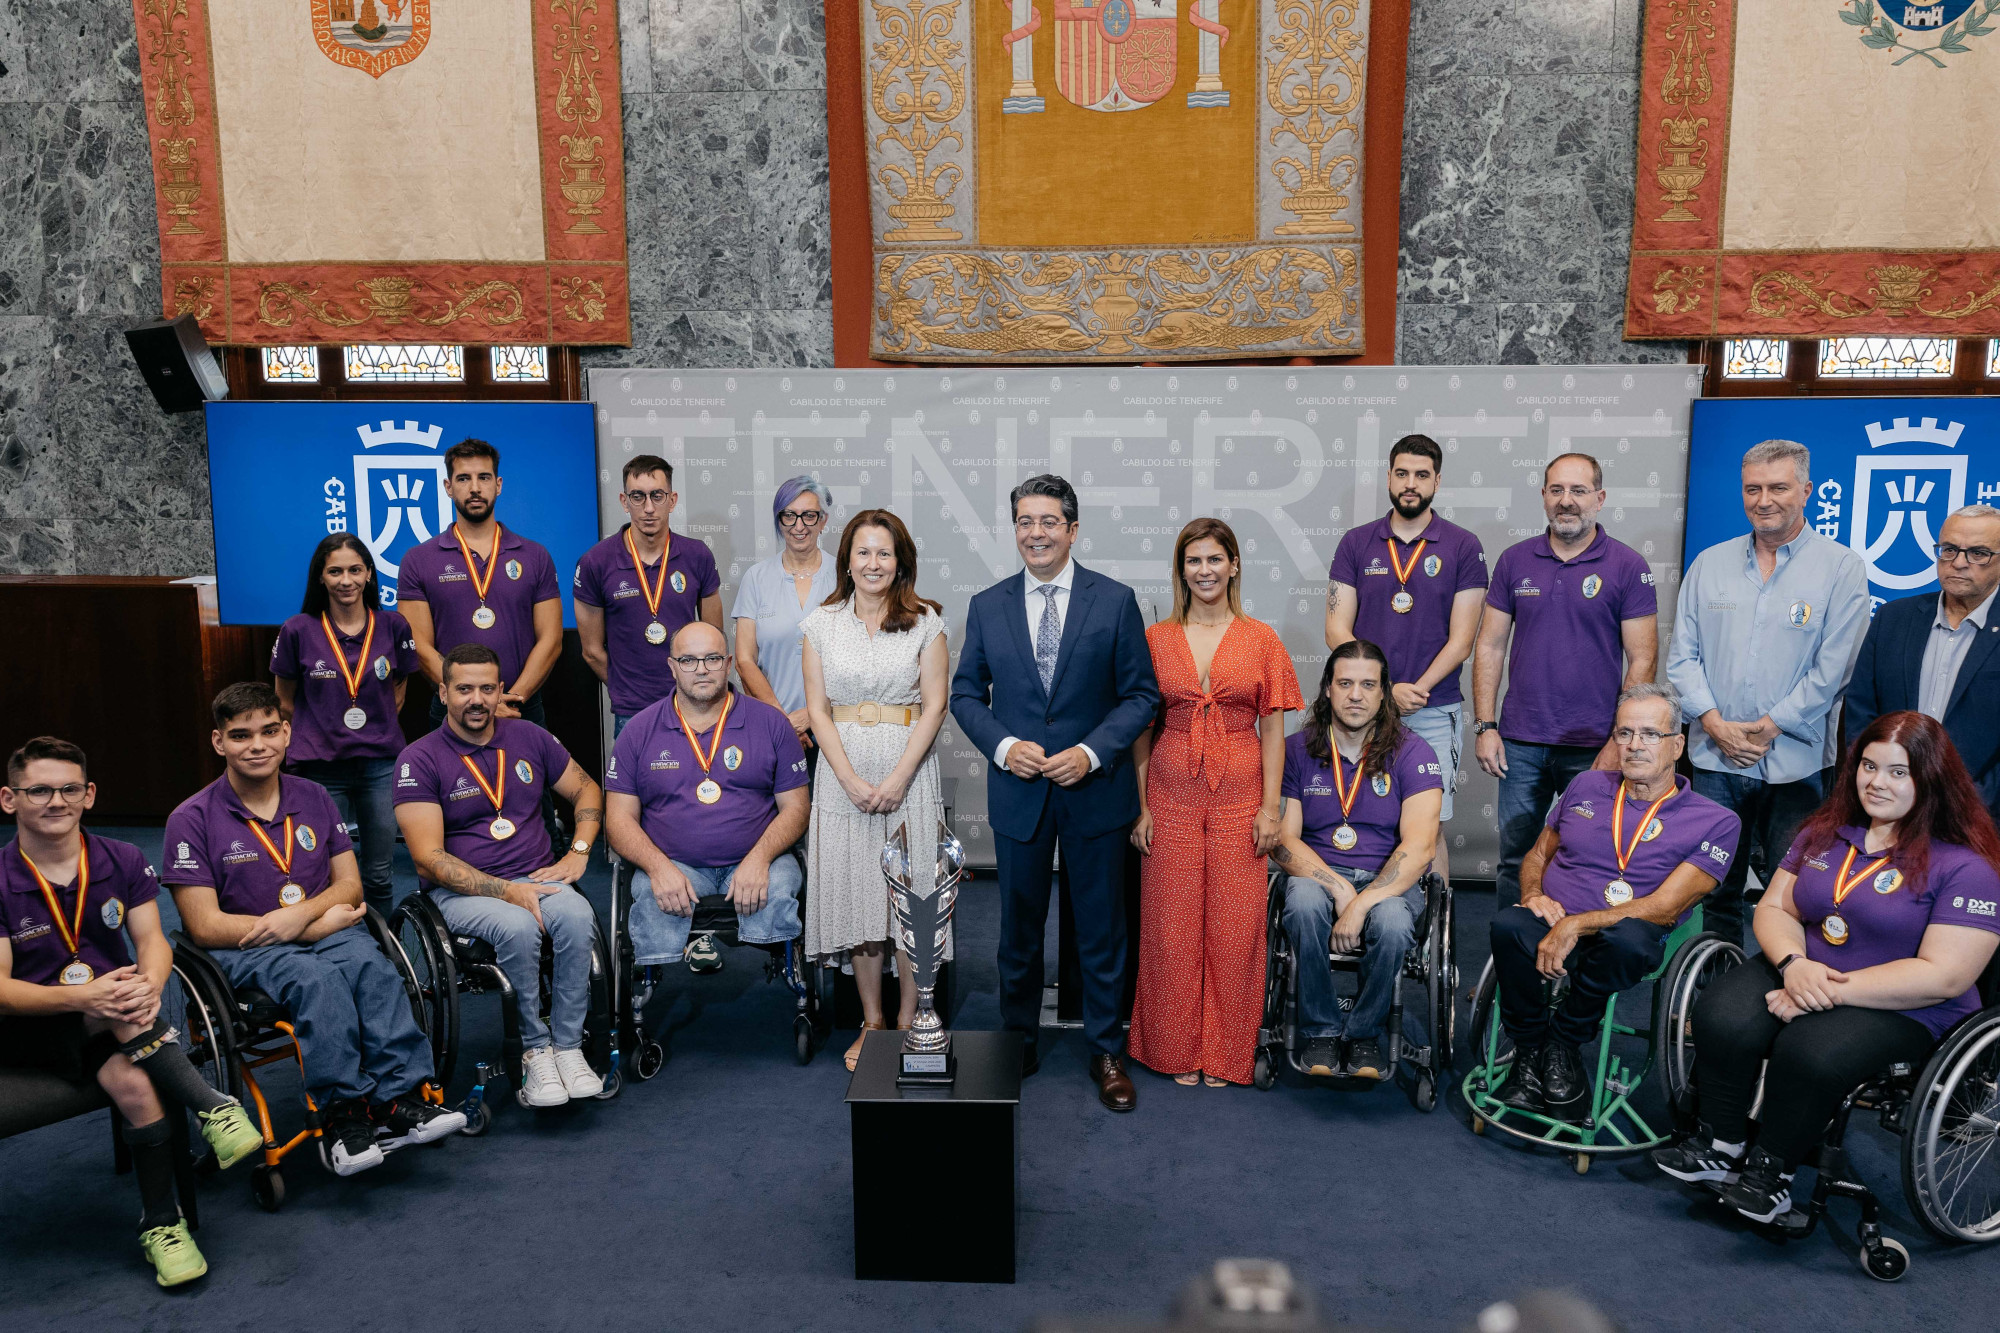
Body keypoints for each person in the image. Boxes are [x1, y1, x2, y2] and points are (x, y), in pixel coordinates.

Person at [1654, 711, 2000, 1224]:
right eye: (1868, 766)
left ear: (1930, 778)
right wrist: (1794, 965)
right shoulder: (1824, 832)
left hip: (1907, 1003)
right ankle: (1720, 1144)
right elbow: (1774, 909)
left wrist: (1825, 989)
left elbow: (1945, 975)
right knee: (1720, 1012)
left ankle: (1772, 1174)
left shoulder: (1965, 866)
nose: (1876, 782)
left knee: (1809, 1049)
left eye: (1898, 772)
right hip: (1807, 970)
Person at [164, 684, 462, 1177]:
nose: (256, 745)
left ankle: (399, 1101)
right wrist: (301, 928)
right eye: (240, 736)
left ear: (286, 734)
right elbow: (205, 925)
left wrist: (302, 917)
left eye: (267, 731)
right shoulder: (190, 819)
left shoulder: (315, 796)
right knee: (316, 983)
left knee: (372, 965)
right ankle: (343, 1116)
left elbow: (349, 885)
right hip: (246, 947)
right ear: (219, 743)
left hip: (319, 927)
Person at [2, 737, 262, 1287]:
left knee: (138, 1087)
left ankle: (161, 1226)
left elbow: (153, 942)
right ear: (9, 799)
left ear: (89, 794)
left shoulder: (120, 857)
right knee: (116, 1000)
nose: (56, 801)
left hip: (107, 1018)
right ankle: (213, 1105)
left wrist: (150, 986)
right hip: (21, 1028)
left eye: (70, 788)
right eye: (40, 790)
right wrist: (85, 997)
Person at [951, 474, 1161, 1111]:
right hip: (1019, 794)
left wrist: (1093, 752)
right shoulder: (988, 605)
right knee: (1017, 929)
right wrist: (1006, 746)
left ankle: (1105, 1049)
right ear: (1014, 529)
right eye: (1024, 522)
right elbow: (965, 694)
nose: (1035, 533)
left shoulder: (1115, 600)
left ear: (1072, 529)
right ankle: (1018, 1042)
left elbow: (1141, 695)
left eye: (1048, 522)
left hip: (1095, 792)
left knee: (1100, 929)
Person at [1486, 684, 1742, 1121]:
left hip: (1626, 932)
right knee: (1508, 925)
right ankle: (1531, 1052)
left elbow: (1664, 907)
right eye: (1624, 734)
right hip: (1556, 916)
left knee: (1630, 942)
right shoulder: (1586, 785)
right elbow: (1538, 855)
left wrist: (1576, 925)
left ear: (1677, 745)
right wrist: (1531, 894)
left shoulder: (1716, 821)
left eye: (1649, 734)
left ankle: (1564, 1041)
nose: (1634, 746)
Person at [1667, 438, 1869, 949]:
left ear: (1807, 491)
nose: (1764, 500)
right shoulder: (1709, 564)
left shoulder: (1841, 568)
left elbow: (1836, 667)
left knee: (1797, 892)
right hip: (1714, 759)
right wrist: (1712, 722)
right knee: (1714, 887)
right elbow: (1682, 658)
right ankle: (1712, 989)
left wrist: (1772, 724)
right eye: (1752, 488)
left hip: (1797, 762)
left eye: (1778, 487)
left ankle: (1784, 990)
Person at [1128, 518, 1303, 1087]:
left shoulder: (1261, 638)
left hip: (1240, 791)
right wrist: (1141, 806)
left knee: (1235, 925)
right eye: (1193, 561)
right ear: (1181, 570)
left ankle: (1225, 1053)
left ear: (1234, 566)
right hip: (1169, 790)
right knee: (1169, 923)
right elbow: (1140, 730)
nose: (1204, 571)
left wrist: (1271, 807)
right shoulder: (1155, 640)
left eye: (1214, 560)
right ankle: (1175, 1048)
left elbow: (1273, 731)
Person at [393, 644, 606, 1109]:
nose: (477, 699)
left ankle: (567, 1048)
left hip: (538, 874)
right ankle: (533, 1051)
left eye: (487, 688)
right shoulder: (419, 759)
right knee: (517, 925)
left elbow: (587, 787)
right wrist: (507, 891)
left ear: (501, 691)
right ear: (444, 692)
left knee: (576, 914)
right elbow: (429, 859)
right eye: (464, 688)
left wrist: (580, 851)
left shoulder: (529, 736)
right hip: (459, 891)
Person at [800, 508, 951, 1071]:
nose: (873, 563)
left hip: (908, 777)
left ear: (901, 560)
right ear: (847, 560)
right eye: (862, 552)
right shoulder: (821, 624)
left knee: (912, 904)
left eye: (884, 552)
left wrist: (895, 780)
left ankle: (914, 1020)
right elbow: (817, 709)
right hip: (842, 782)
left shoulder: (926, 622)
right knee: (859, 899)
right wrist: (848, 779)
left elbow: (935, 705)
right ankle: (873, 1021)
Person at [1474, 453, 1658, 907]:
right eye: (1556, 490)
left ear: (1600, 498)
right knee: (1516, 860)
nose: (1566, 501)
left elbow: (1643, 658)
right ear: (1543, 497)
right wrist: (1485, 725)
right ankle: (1509, 969)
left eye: (1578, 491)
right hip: (1520, 741)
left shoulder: (1628, 566)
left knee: (1590, 856)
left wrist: (1621, 740)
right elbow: (1490, 646)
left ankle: (1574, 967)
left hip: (1595, 744)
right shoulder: (1515, 561)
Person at [605, 622, 809, 1009]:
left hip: (758, 859)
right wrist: (658, 868)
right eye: (689, 660)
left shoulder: (771, 724)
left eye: (713, 658)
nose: (701, 669)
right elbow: (617, 820)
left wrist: (759, 859)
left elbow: (797, 809)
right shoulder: (638, 731)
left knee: (781, 885)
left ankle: (795, 986)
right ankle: (643, 993)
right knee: (649, 892)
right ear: (672, 666)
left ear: (729, 663)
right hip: (675, 864)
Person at [1271, 642, 1443, 1081]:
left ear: (1384, 692)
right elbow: (1284, 840)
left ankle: (1365, 1033)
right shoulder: (1296, 749)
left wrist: (1362, 901)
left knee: (1391, 924)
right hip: (1317, 871)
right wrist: (1337, 886)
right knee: (1305, 903)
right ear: (1327, 689)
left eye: (1368, 685)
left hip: (1387, 879)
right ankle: (1322, 1030)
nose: (1355, 695)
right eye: (1345, 683)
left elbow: (1421, 846)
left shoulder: (1414, 752)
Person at [1326, 433, 1487, 884]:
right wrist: (1381, 689)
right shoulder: (1357, 543)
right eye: (1402, 474)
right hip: (1362, 709)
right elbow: (1336, 629)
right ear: (1389, 478)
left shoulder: (1463, 546)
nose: (1410, 483)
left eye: (1421, 474)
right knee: (1354, 812)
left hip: (1432, 710)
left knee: (1427, 826)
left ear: (1437, 480)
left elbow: (1462, 641)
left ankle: (1427, 932)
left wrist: (1410, 692)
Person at [271, 533, 421, 918]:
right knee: (320, 873)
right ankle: (333, 954)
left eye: (355, 570)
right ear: (320, 577)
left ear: (369, 574)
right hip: (320, 768)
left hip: (381, 765)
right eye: (335, 571)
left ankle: (386, 955)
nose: (346, 580)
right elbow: (284, 702)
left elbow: (399, 690)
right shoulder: (298, 630)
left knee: (379, 873)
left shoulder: (393, 626)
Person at [1844, 504, 2000, 824]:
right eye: (1949, 549)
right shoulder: (1894, 618)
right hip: (1884, 810)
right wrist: (1877, 786)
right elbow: (1860, 713)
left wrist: (1968, 802)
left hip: (1977, 817)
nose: (1958, 563)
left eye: (1978, 553)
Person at [398, 438, 565, 727]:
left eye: (483, 477)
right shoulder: (418, 559)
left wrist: (509, 698)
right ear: (448, 487)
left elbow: (551, 641)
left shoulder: (535, 556)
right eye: (464, 478)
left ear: (498, 484)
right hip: (452, 711)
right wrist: (475, 698)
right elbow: (420, 647)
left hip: (521, 706)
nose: (475, 487)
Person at [576, 453, 723, 732]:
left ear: (672, 500)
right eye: (637, 497)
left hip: (694, 705)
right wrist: (627, 687)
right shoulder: (596, 562)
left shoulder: (697, 555)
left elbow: (713, 638)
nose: (648, 508)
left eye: (657, 496)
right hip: (632, 712)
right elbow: (592, 651)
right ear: (624, 501)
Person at [735, 476, 838, 760]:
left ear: (823, 521)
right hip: (771, 729)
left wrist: (812, 714)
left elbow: (861, 658)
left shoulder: (846, 576)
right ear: (778, 520)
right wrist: (783, 722)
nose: (799, 526)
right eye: (789, 516)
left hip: (836, 728)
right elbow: (744, 660)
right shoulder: (756, 578)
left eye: (808, 515)